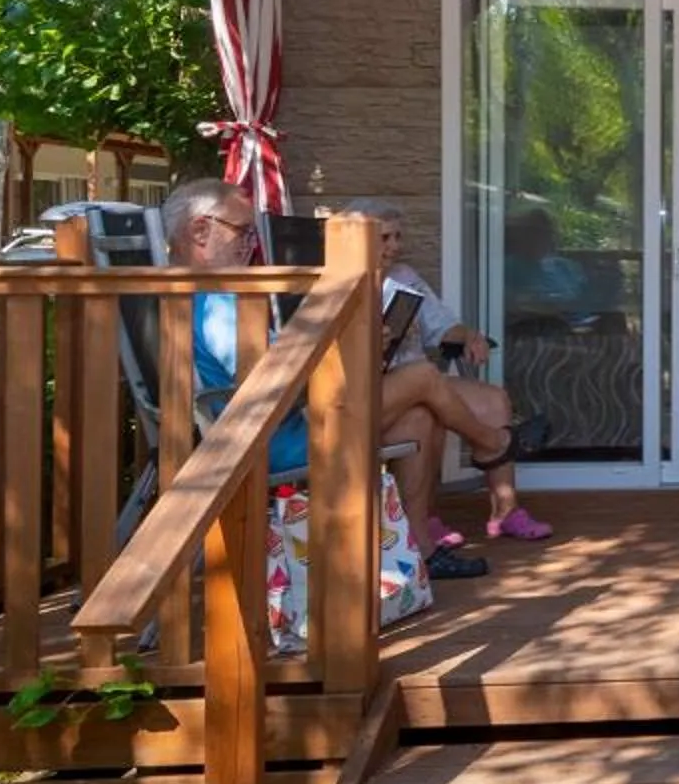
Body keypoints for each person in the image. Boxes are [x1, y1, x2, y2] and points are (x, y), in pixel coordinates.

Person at [167, 179, 524, 582]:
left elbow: (282, 366)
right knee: (422, 376)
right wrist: (354, 348)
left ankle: (416, 553)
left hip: (295, 420)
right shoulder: (215, 303)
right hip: (271, 438)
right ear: (200, 230)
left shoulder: (220, 294)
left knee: (418, 419)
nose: (250, 243)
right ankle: (493, 443)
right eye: (242, 230)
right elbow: (274, 384)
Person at [336, 200, 551, 541]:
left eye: (398, 237)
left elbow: (441, 326)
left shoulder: (405, 277)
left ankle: (505, 510)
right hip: (377, 388)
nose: (394, 246)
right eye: (385, 238)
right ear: (357, 238)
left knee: (493, 401)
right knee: (427, 404)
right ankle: (433, 512)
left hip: (421, 378)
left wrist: (467, 335)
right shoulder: (335, 285)